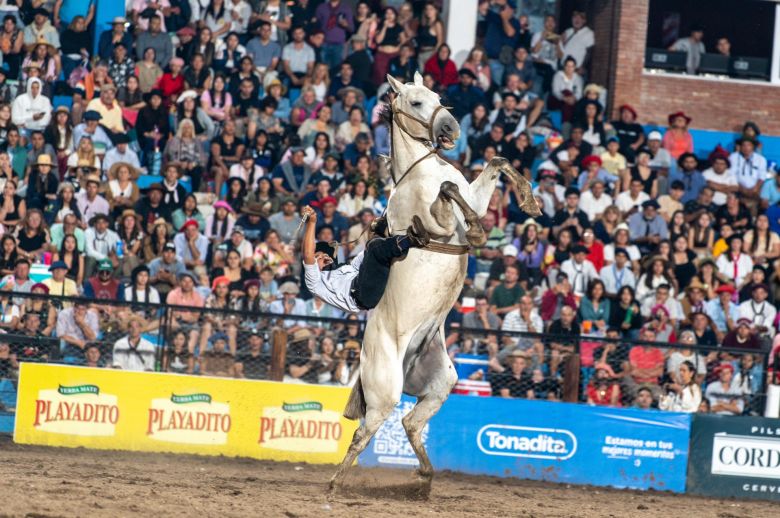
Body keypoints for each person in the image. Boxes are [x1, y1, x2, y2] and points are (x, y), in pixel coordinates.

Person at [301, 205, 428, 313]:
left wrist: (376, 231)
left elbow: (365, 256)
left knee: (375, 240)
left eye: (322, 254)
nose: (322, 256)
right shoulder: (315, 283)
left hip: (363, 283)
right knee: (374, 248)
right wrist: (312, 222)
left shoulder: (344, 269)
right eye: (317, 256)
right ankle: (413, 239)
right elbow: (307, 254)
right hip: (361, 296)